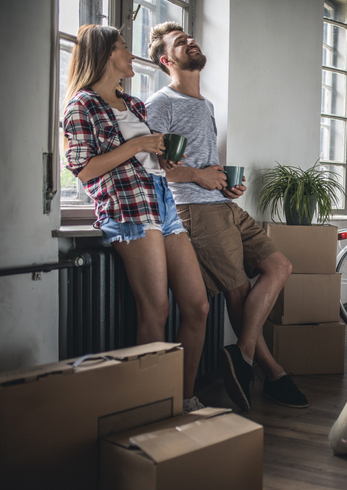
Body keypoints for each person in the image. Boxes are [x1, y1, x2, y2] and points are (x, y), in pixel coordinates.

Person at [145, 22, 308, 411]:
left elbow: (197, 163)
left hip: (220, 204)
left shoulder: (205, 104)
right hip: (192, 208)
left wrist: (222, 183)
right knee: (237, 291)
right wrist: (199, 177)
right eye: (180, 42)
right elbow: (148, 166)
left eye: (190, 36)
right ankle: (272, 373)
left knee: (279, 266)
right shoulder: (160, 104)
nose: (190, 41)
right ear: (168, 60)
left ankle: (244, 354)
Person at [63, 25, 210, 414]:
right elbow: (83, 169)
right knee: (156, 311)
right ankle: (150, 405)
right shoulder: (82, 105)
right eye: (124, 48)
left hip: (161, 202)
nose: (131, 55)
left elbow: (147, 159)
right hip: (127, 209)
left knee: (197, 306)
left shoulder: (135, 105)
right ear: (107, 55)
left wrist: (162, 158)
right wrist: (136, 146)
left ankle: (184, 398)